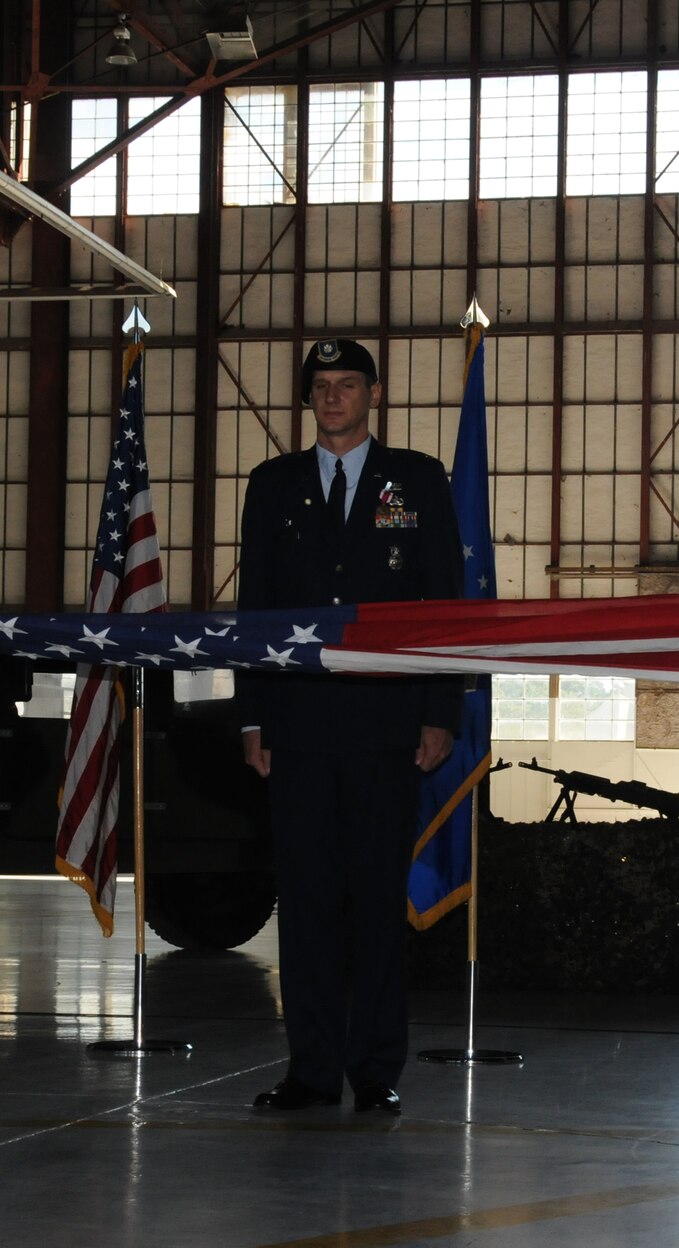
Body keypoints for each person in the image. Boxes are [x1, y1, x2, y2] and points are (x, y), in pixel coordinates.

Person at [237, 337, 463, 1115]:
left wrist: (441, 711)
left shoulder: (420, 481)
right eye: (321, 386)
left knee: (374, 903)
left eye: (347, 384)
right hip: (296, 727)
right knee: (305, 905)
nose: (334, 398)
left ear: (373, 394)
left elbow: (444, 606)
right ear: (308, 400)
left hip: (386, 726)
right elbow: (255, 612)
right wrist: (252, 716)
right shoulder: (273, 486)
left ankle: (373, 1068)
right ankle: (309, 1069)